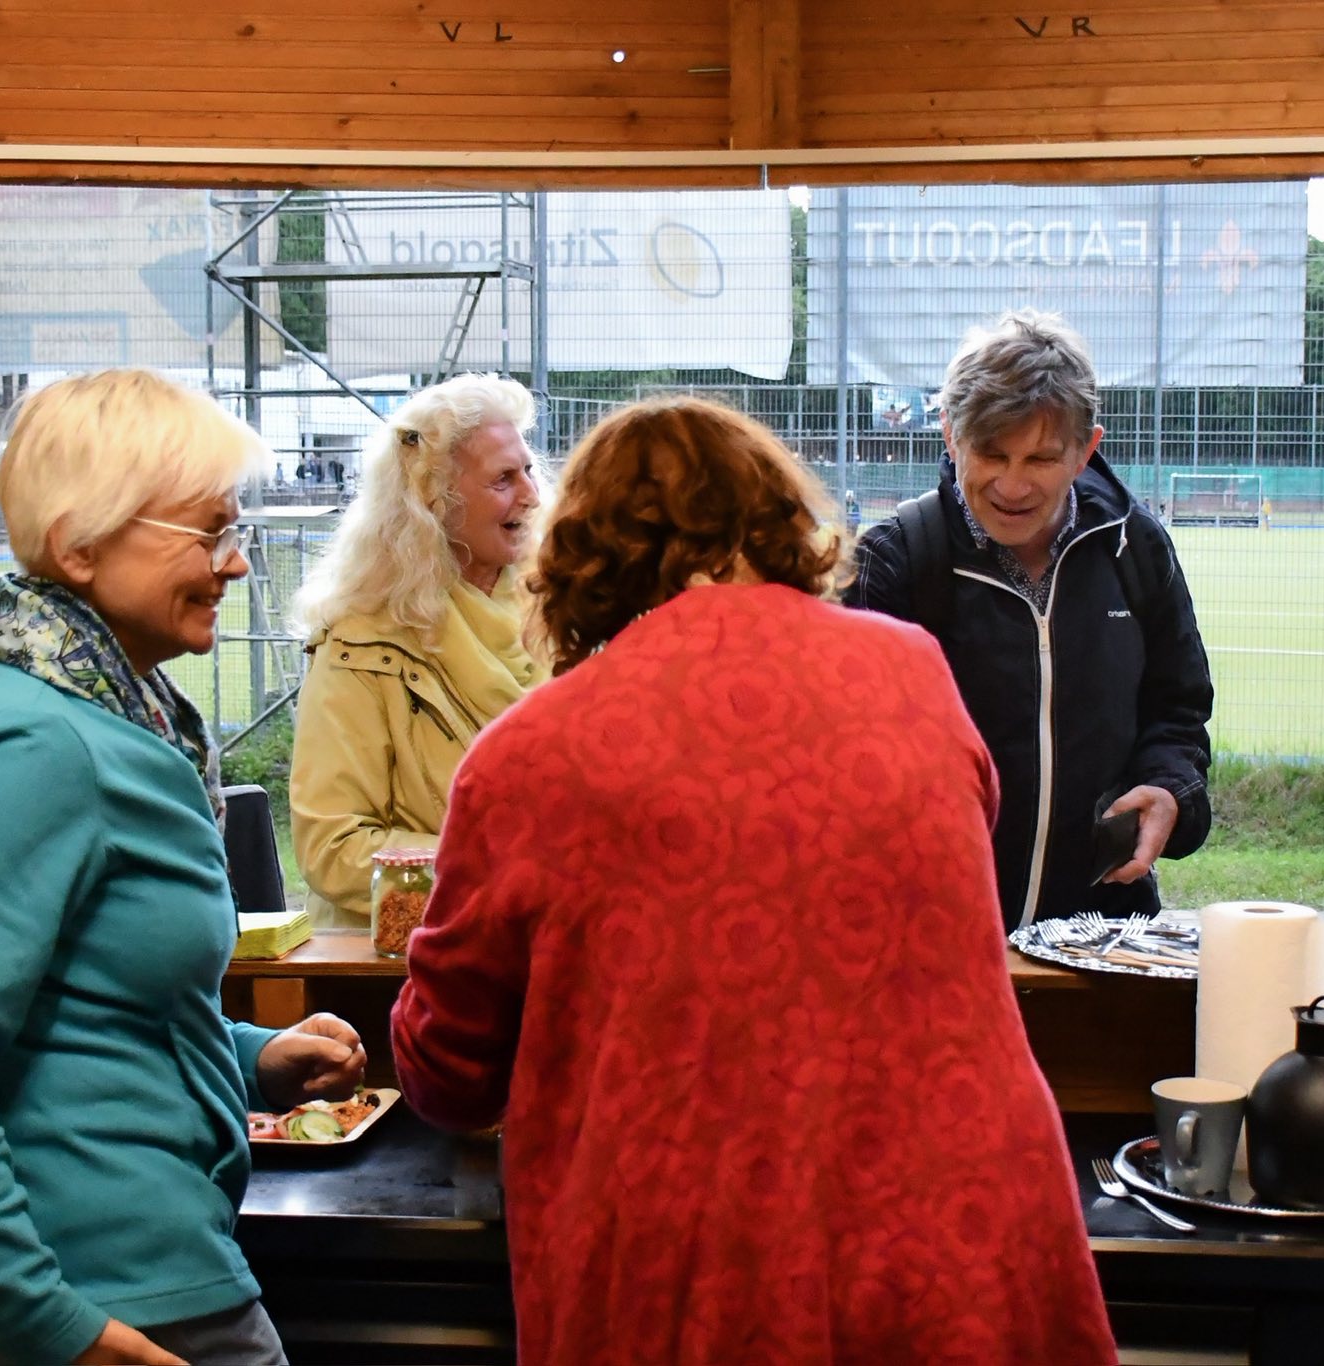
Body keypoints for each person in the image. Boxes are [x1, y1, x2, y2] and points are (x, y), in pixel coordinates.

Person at [389, 397, 1118, 1366]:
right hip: (960, 1227)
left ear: (581, 553)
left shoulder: (529, 754)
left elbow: (447, 1069)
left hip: (694, 1256)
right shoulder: (911, 672)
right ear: (776, 516)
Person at [0, 369, 367, 1366]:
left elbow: (81, 1009)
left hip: (142, 1261)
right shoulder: (43, 747)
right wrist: (51, 1323)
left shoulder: (114, 718)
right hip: (103, 1287)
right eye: (208, 533)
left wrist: (249, 1054)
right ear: (79, 546)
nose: (234, 564)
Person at [851, 309, 1214, 931]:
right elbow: (849, 755)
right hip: (935, 937)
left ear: (1085, 451)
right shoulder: (894, 560)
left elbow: (1177, 709)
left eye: (1041, 459)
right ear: (950, 436)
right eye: (991, 454)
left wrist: (1168, 790)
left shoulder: (1136, 547)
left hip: (1100, 936)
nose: (1013, 485)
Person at [288, 373, 548, 927]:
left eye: (528, 470)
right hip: (404, 958)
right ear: (434, 501)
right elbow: (335, 848)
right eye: (503, 479)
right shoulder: (361, 641)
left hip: (542, 943)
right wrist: (503, 871)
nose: (531, 495)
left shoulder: (559, 616)